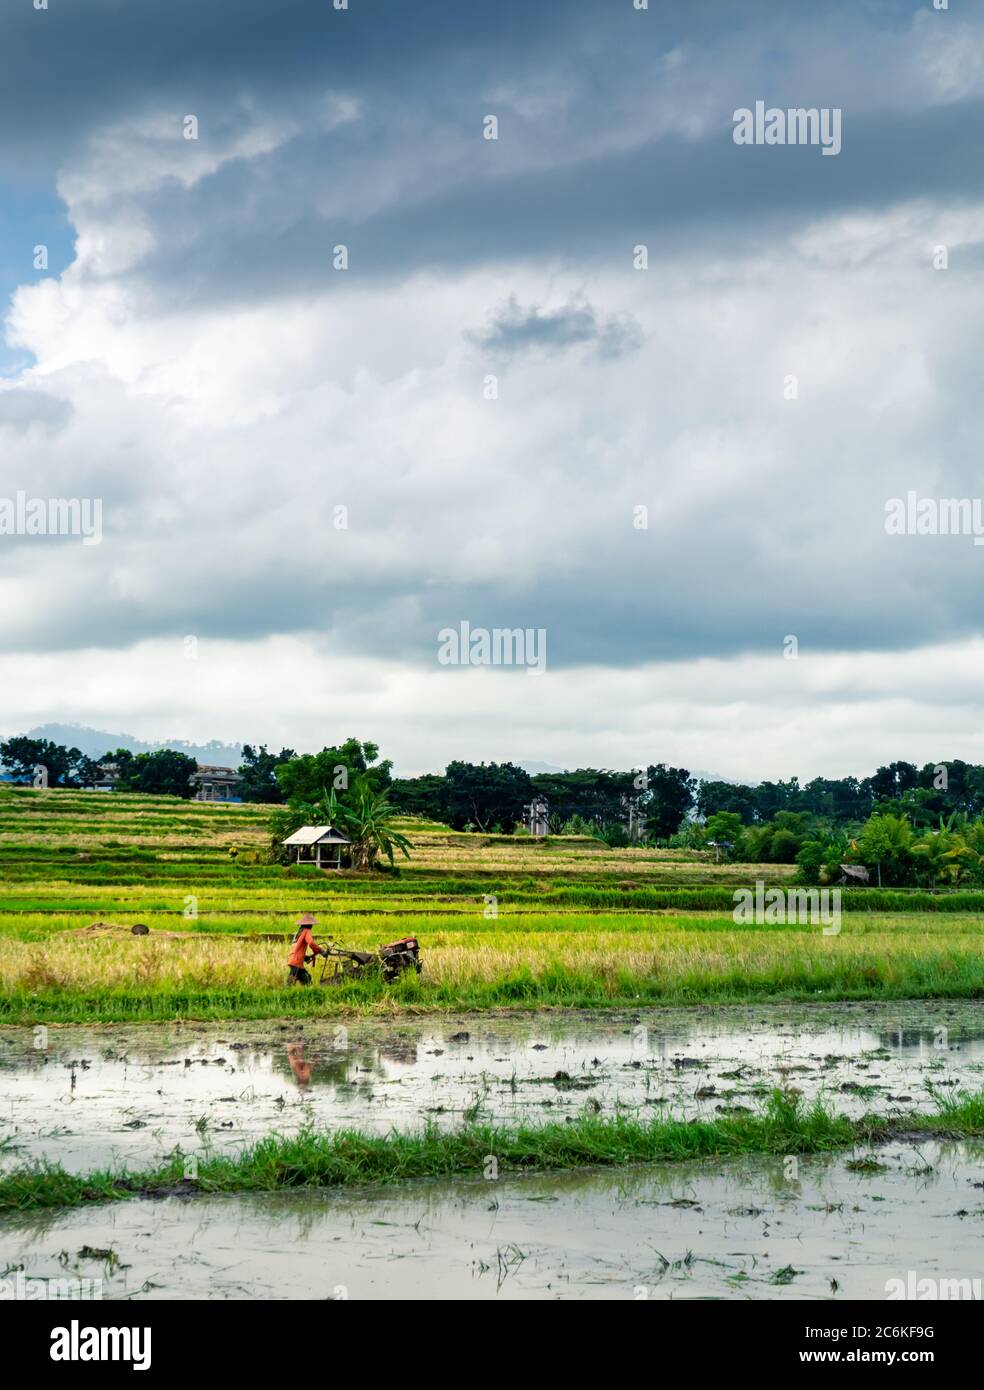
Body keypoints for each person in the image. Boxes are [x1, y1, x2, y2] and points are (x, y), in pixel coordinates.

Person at [287, 912, 328, 984]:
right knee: (291, 982)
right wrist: (321, 951)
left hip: (293, 959)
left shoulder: (299, 932)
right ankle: (287, 993)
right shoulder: (307, 931)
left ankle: (303, 992)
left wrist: (304, 957)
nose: (312, 926)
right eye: (311, 924)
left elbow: (295, 948)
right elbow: (311, 943)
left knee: (307, 979)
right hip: (296, 961)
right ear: (309, 925)